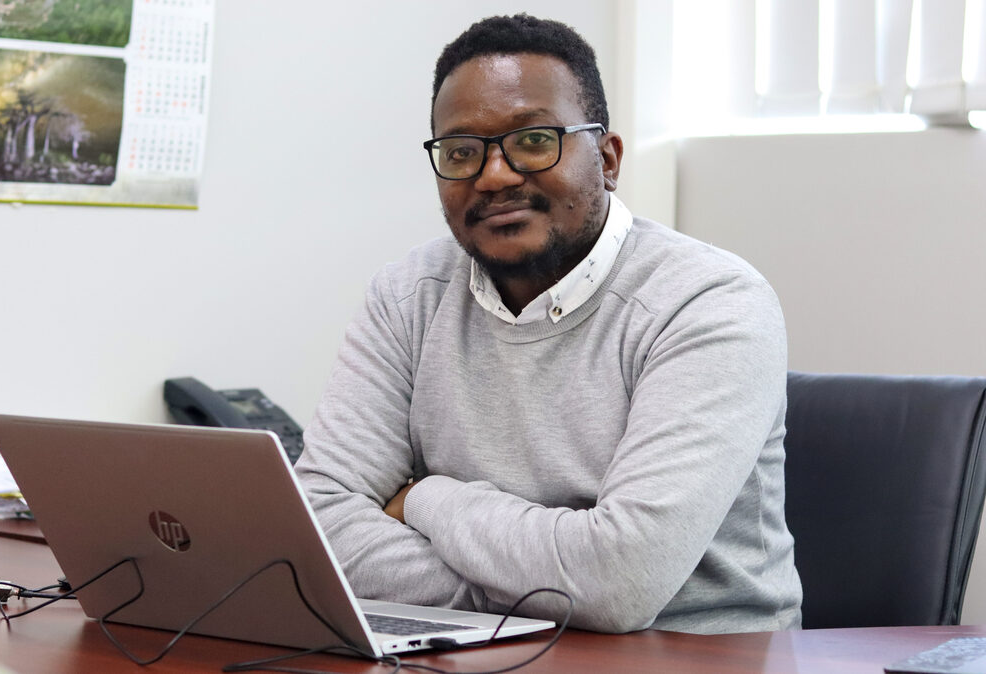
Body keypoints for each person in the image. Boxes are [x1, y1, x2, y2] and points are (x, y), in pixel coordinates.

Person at [293, 14, 803, 634]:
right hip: (468, 650)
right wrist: (540, 601)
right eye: (461, 152)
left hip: (692, 655)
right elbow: (316, 526)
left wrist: (425, 498)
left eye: (534, 140)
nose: (495, 175)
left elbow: (620, 582)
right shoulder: (408, 296)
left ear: (608, 159)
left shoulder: (709, 302)